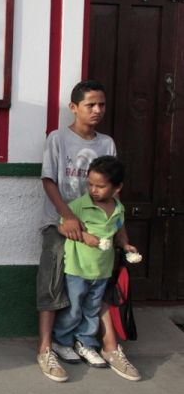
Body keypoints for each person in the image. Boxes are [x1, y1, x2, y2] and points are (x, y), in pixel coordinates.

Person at [36, 80, 141, 382]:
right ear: (74, 107)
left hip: (99, 228)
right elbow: (48, 180)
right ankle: (46, 348)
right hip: (61, 223)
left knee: (100, 285)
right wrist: (68, 217)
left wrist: (120, 232)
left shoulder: (106, 143)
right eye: (90, 105)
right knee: (54, 283)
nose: (97, 110)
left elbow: (113, 189)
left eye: (102, 105)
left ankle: (99, 343)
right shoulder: (58, 139)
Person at [53, 156, 139, 377]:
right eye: (90, 184)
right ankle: (61, 341)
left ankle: (85, 343)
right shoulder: (80, 206)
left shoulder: (118, 208)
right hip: (78, 268)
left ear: (117, 187)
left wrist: (126, 244)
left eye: (100, 186)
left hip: (102, 269)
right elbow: (62, 227)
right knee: (73, 308)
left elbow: (119, 230)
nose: (93, 190)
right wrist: (83, 236)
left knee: (92, 309)